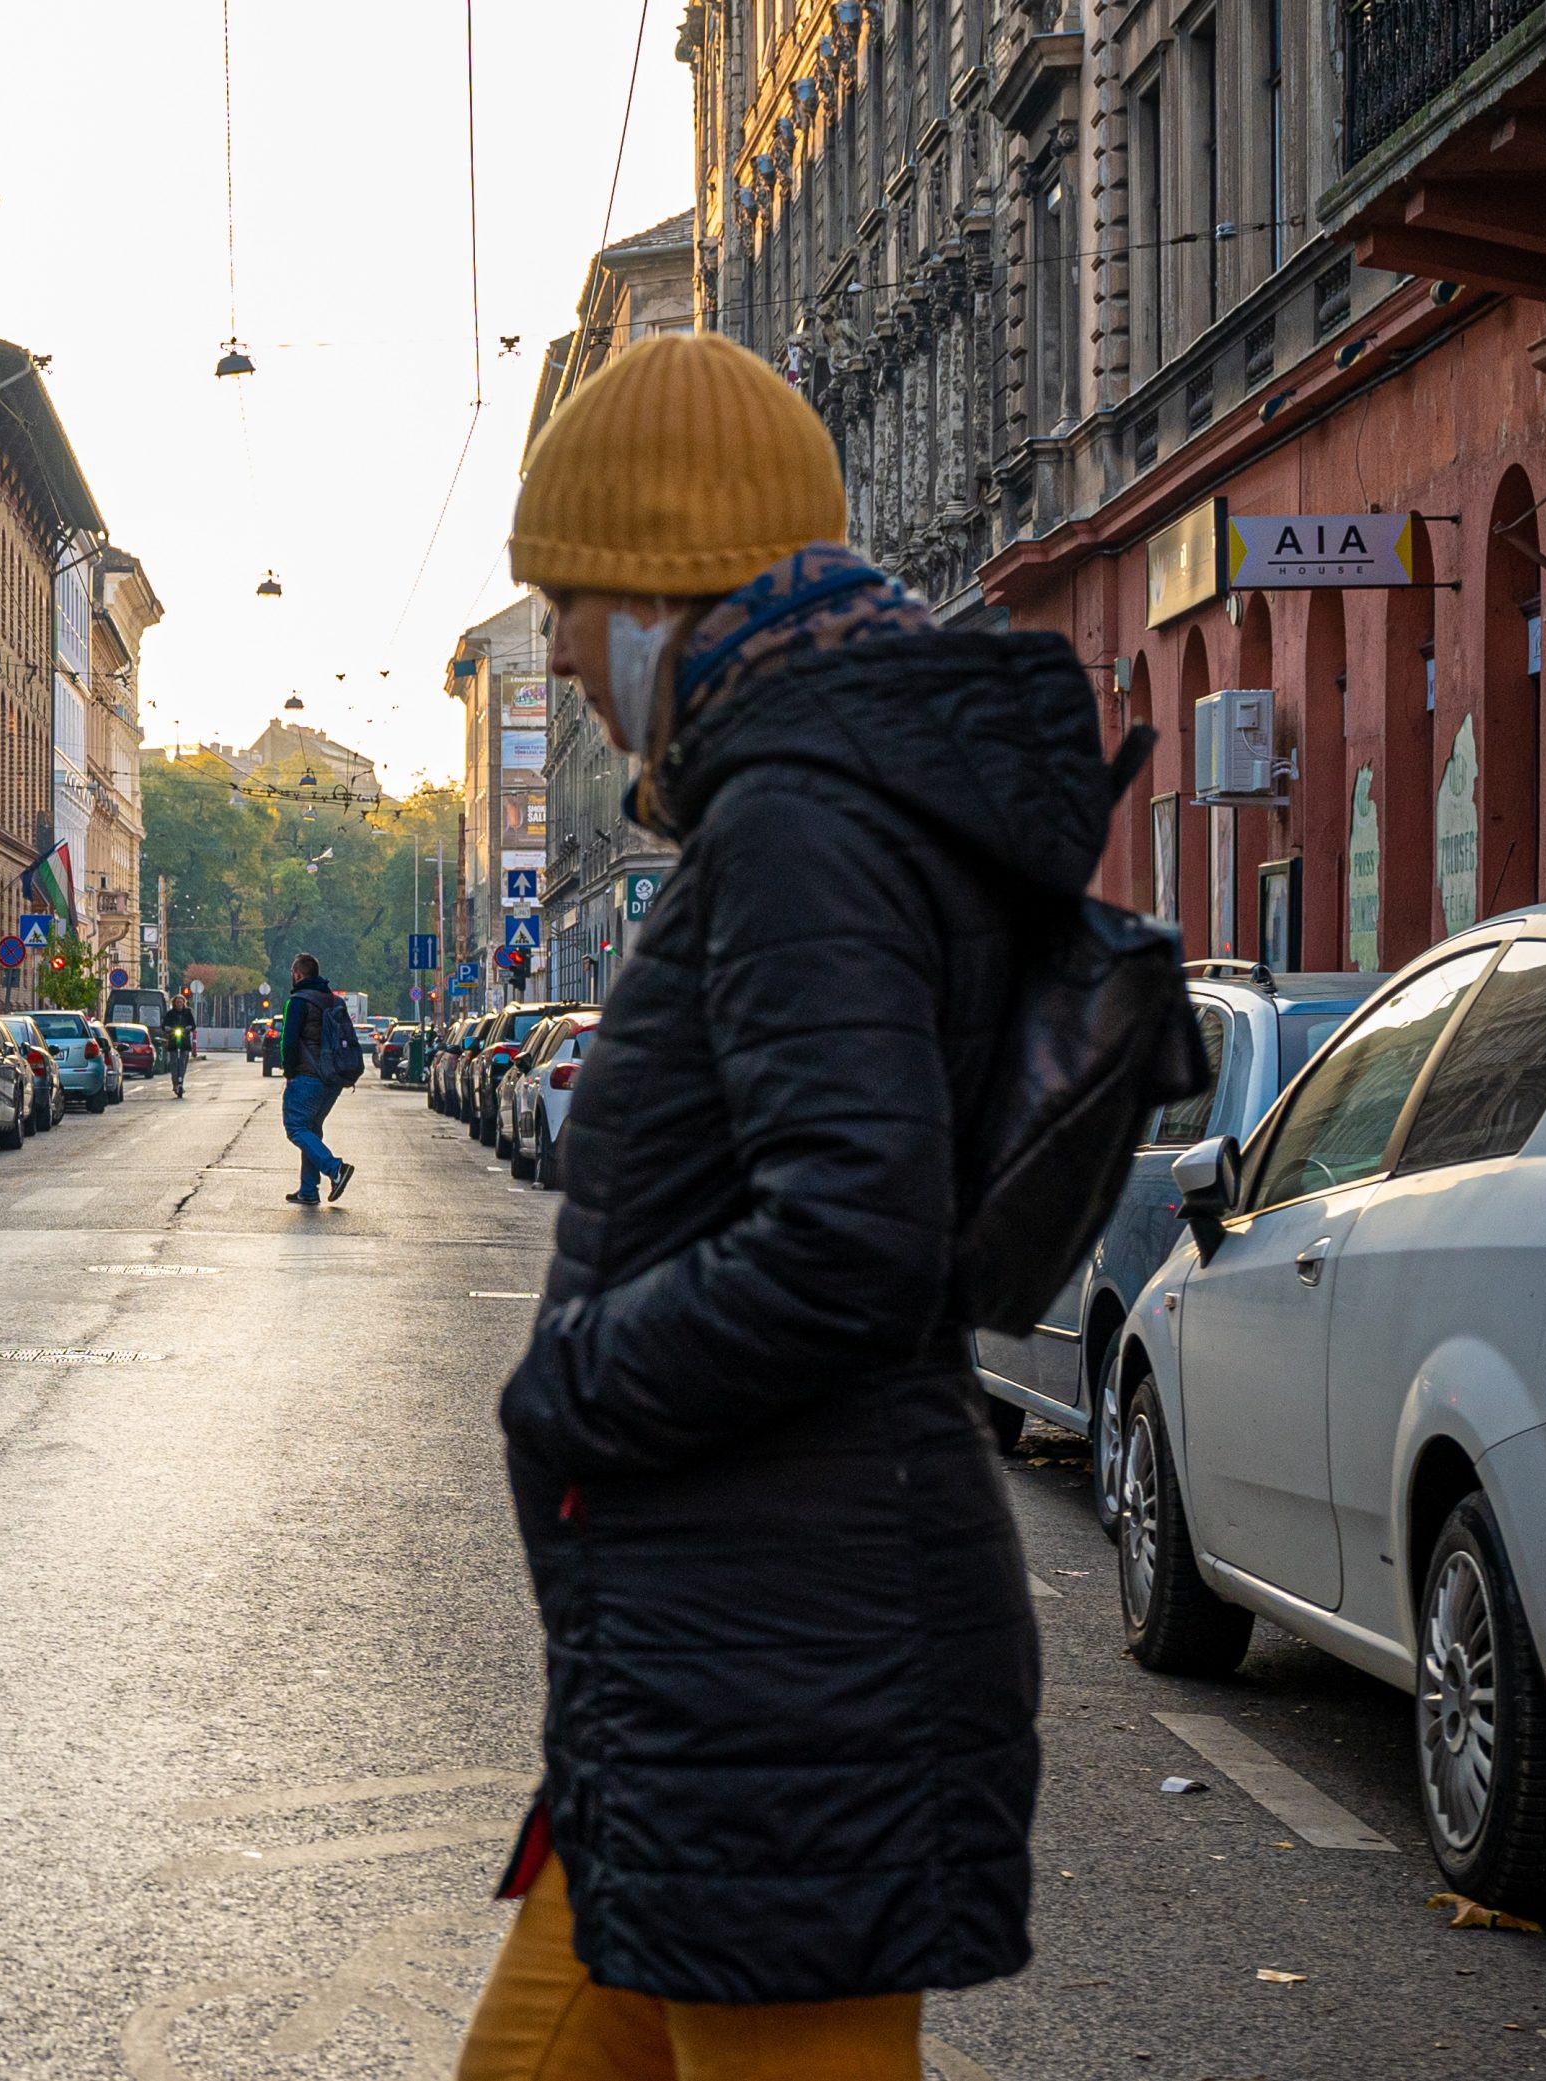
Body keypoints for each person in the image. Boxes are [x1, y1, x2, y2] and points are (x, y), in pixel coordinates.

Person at [455, 333, 1072, 2080]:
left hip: (794, 1689)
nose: (561, 646)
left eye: (573, 595)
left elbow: (851, 1229)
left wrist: (577, 1386)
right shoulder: (802, 797)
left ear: (667, 585)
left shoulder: (804, 816)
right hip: (716, 1676)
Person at [275, 955, 358, 1205]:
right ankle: (308, 1190)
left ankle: (335, 1169)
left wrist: (289, 1072)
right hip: (333, 1077)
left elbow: (288, 1042)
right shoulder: (334, 1001)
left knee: (296, 1127)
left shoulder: (298, 1002)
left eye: (293, 972)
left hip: (308, 1075)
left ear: (298, 975)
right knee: (311, 1129)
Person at [159, 998, 196, 1097]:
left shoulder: (188, 1012)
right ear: (174, 1003)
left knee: (183, 1063)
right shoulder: (170, 1013)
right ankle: (175, 1084)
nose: (179, 1004)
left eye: (181, 1002)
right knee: (174, 1062)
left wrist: (189, 1027)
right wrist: (167, 1028)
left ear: (184, 1003)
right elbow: (164, 1025)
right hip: (173, 1040)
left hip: (184, 1040)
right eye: (177, 1002)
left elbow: (193, 1025)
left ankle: (181, 1083)